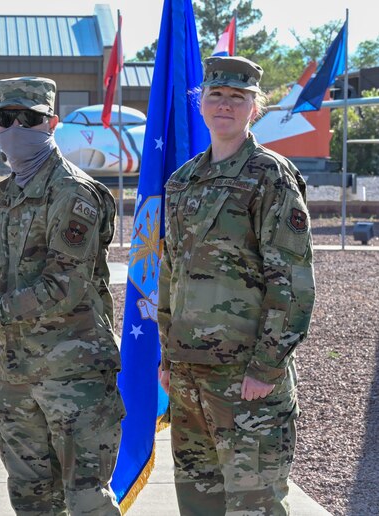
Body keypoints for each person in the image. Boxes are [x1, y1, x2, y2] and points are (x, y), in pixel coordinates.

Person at [0, 76, 124, 515]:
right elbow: (7, 280)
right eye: (7, 118)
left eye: (31, 118)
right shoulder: (5, 196)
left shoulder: (73, 193)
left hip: (73, 376)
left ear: (52, 123)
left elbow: (64, 287)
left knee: (86, 501)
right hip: (18, 376)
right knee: (31, 499)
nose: (18, 126)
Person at [157, 56, 316, 515]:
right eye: (216, 95)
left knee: (255, 506)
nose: (225, 105)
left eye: (237, 97)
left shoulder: (270, 176)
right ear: (201, 103)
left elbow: (291, 282)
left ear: (254, 108)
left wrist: (265, 368)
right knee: (199, 504)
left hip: (245, 381)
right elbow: (172, 274)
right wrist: (169, 357)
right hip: (188, 378)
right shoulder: (183, 181)